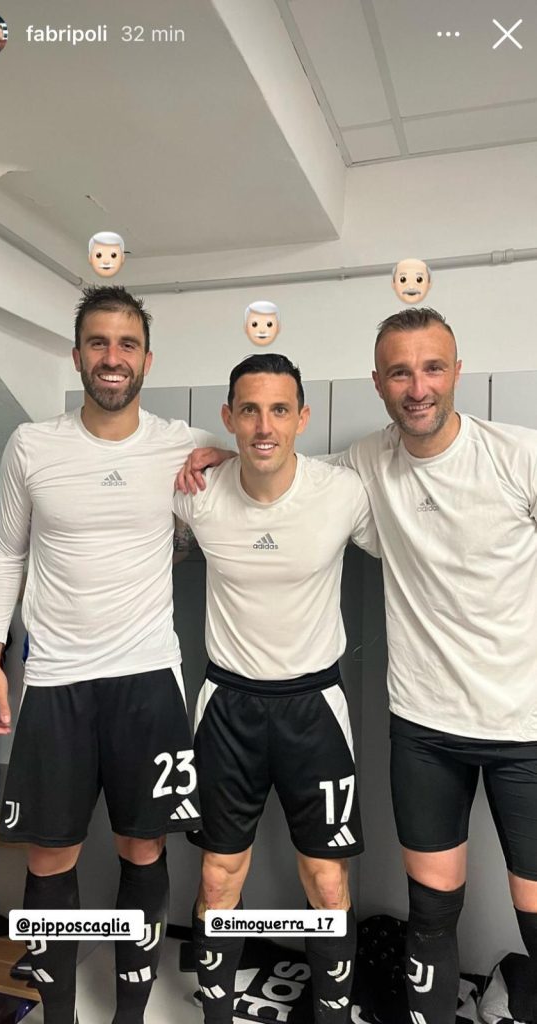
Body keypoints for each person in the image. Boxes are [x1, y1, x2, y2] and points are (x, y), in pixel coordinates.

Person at [0, 285, 222, 1024]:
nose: (113, 357)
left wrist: (225, 453)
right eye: (99, 343)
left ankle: (129, 1016)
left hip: (148, 679)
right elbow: (6, 554)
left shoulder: (180, 442)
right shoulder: (32, 444)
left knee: (144, 849)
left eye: (127, 344)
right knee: (49, 857)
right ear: (78, 353)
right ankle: (57, 1016)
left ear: (148, 358)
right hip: (55, 682)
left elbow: (262, 453)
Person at [332, 307, 537, 1024]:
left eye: (432, 368)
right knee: (431, 915)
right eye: (400, 372)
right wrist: (218, 456)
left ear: (456, 372)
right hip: (425, 728)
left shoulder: (518, 455)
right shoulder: (366, 462)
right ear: (378, 383)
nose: (417, 388)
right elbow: (284, 475)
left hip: (524, 729)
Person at [173, 353, 378, 1024]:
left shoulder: (341, 492)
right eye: (250, 411)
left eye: (280, 410)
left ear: (302, 418)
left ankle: (332, 1015)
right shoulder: (197, 492)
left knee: (327, 881)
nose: (265, 426)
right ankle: (215, 1015)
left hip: (314, 708)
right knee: (216, 878)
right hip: (226, 706)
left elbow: (420, 543)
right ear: (230, 418)